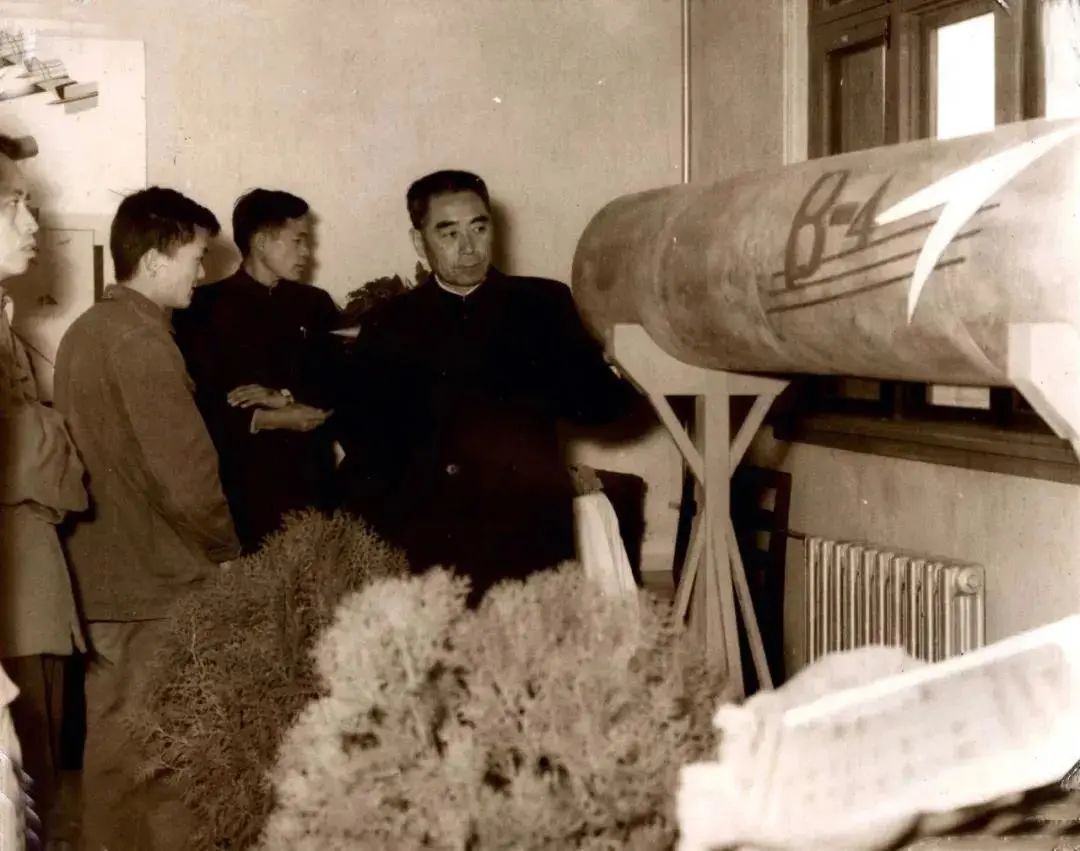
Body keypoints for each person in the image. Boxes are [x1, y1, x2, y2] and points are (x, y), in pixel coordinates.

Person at [337, 170, 643, 604]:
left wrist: (635, 363)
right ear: (419, 241)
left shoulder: (543, 304)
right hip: (430, 541)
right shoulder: (389, 322)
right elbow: (362, 435)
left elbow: (597, 405)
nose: (468, 248)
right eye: (449, 233)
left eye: (479, 228)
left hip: (528, 534)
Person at [54, 186, 241, 851]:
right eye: (196, 256)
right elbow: (188, 477)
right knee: (163, 760)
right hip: (157, 583)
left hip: (105, 580)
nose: (202, 271)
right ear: (158, 258)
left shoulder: (85, 331)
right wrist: (228, 552)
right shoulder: (143, 341)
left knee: (113, 748)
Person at [173, 189, 340, 552]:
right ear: (261, 242)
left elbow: (338, 388)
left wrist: (282, 397)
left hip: (312, 491)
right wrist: (266, 419)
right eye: (298, 241)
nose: (307, 253)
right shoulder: (202, 308)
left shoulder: (316, 305)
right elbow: (194, 406)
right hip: (240, 496)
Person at [0, 133, 86, 828]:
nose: (32, 222)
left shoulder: (6, 321)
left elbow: (53, 466)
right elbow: (41, 459)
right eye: (12, 204)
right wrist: (47, 435)